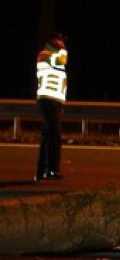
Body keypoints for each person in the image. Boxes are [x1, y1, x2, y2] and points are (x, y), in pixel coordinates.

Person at [34, 33, 68, 181]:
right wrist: (63, 50)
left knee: (48, 136)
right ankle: (52, 170)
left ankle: (42, 171)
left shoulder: (51, 56)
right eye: (60, 40)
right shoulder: (45, 54)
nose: (62, 44)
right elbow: (62, 60)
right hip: (47, 101)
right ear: (53, 41)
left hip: (54, 101)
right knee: (54, 135)